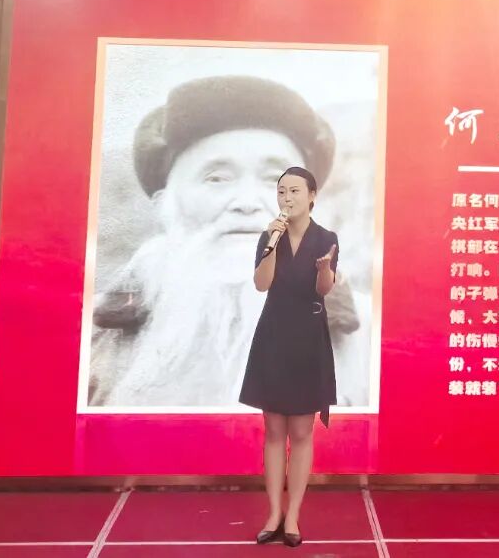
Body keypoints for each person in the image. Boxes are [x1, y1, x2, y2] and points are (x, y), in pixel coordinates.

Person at [88, 75, 360, 408]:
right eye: (216, 178)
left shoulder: (369, 336)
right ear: (167, 203)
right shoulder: (93, 336)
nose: (247, 203)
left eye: (277, 182)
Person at [241, 166, 339, 548]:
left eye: (295, 191)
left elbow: (323, 290)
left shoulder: (326, 239)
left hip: (308, 340)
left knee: (300, 432)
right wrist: (272, 243)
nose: (287, 198)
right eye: (282, 191)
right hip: (274, 336)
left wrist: (325, 269)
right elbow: (261, 284)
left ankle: (293, 515)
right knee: (273, 431)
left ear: (312, 196)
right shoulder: (270, 235)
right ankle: (273, 513)